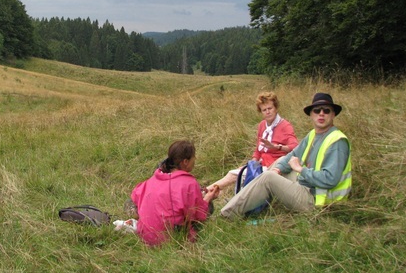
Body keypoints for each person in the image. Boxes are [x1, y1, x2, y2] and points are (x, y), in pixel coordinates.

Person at [220, 92, 351, 218]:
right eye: (317, 110)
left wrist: (301, 169)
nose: (321, 114)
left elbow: (329, 179)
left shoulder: (337, 142)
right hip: (309, 186)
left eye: (326, 110)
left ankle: (227, 213)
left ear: (333, 114)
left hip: (319, 201)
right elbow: (293, 154)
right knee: (280, 162)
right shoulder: (313, 134)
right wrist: (278, 168)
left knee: (268, 178)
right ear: (311, 114)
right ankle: (244, 202)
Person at [130, 140, 220, 246]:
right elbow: (199, 214)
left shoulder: (153, 179)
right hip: (172, 239)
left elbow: (135, 196)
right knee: (209, 207)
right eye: (193, 157)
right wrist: (208, 198)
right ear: (185, 161)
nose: (195, 160)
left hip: (145, 238)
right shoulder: (189, 183)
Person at [208, 91, 298, 193]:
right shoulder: (262, 125)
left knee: (235, 176)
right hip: (261, 163)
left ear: (276, 108)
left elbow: (295, 146)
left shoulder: (285, 126)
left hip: (276, 166)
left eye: (270, 108)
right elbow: (258, 150)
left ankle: (207, 192)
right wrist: (252, 164)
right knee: (236, 172)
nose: (267, 112)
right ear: (261, 112)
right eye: (264, 110)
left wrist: (277, 147)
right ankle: (208, 191)